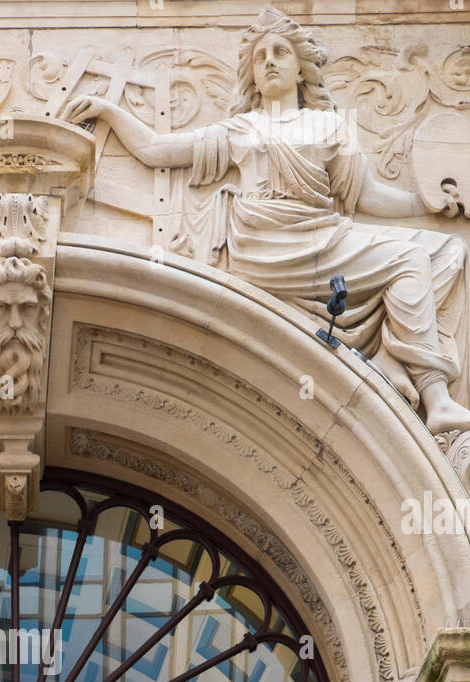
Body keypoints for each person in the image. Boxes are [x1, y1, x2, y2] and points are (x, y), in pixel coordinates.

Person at [63, 6, 470, 434]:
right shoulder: (241, 128)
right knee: (408, 259)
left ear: (300, 70)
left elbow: (368, 196)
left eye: (280, 52)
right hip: (264, 243)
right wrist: (110, 110)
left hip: (323, 236)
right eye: (260, 57)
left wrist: (429, 204)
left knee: (445, 249)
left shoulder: (328, 125)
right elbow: (156, 150)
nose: (270, 60)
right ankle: (436, 397)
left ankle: (395, 359)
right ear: (253, 77)